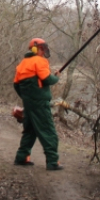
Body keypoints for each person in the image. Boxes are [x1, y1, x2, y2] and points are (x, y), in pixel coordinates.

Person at [13, 38, 63, 170]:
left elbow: (16, 85)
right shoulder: (40, 61)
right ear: (35, 49)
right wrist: (56, 77)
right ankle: (53, 161)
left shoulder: (21, 64)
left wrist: (27, 99)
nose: (44, 50)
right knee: (48, 130)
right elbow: (47, 79)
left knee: (29, 131)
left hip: (28, 104)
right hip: (40, 103)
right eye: (42, 48)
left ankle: (22, 157)